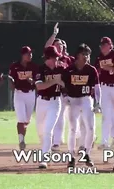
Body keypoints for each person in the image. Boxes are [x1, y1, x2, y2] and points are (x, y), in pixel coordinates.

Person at [62, 43, 100, 168]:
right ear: (77, 55)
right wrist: (65, 97)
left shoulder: (91, 70)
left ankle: (87, 154)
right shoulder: (69, 70)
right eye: (83, 54)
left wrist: (98, 102)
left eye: (88, 54)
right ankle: (71, 156)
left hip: (86, 100)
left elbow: (97, 87)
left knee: (90, 128)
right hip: (73, 100)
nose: (86, 57)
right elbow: (63, 85)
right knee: (73, 129)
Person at [35, 46, 65, 169]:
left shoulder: (62, 68)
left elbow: (65, 83)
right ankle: (45, 148)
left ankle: (44, 158)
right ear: (48, 58)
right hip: (41, 102)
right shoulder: (41, 69)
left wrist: (61, 82)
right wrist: (54, 81)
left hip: (55, 102)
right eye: (54, 57)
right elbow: (39, 87)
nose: (57, 59)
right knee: (40, 131)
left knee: (48, 131)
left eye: (57, 57)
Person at [44, 23, 72, 151]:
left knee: (69, 117)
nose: (58, 47)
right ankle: (56, 140)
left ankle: (64, 139)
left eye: (60, 45)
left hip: (67, 91)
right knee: (58, 116)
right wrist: (54, 34)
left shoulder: (68, 59)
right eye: (56, 45)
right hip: (54, 91)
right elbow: (46, 47)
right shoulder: (51, 57)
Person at [8, 46, 38, 150]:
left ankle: (22, 137)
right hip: (19, 93)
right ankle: (21, 140)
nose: (30, 55)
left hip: (30, 93)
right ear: (22, 55)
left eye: (31, 53)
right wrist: (11, 84)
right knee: (21, 119)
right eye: (27, 53)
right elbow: (11, 80)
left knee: (27, 120)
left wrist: (33, 81)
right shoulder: (15, 66)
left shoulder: (34, 67)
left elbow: (38, 81)